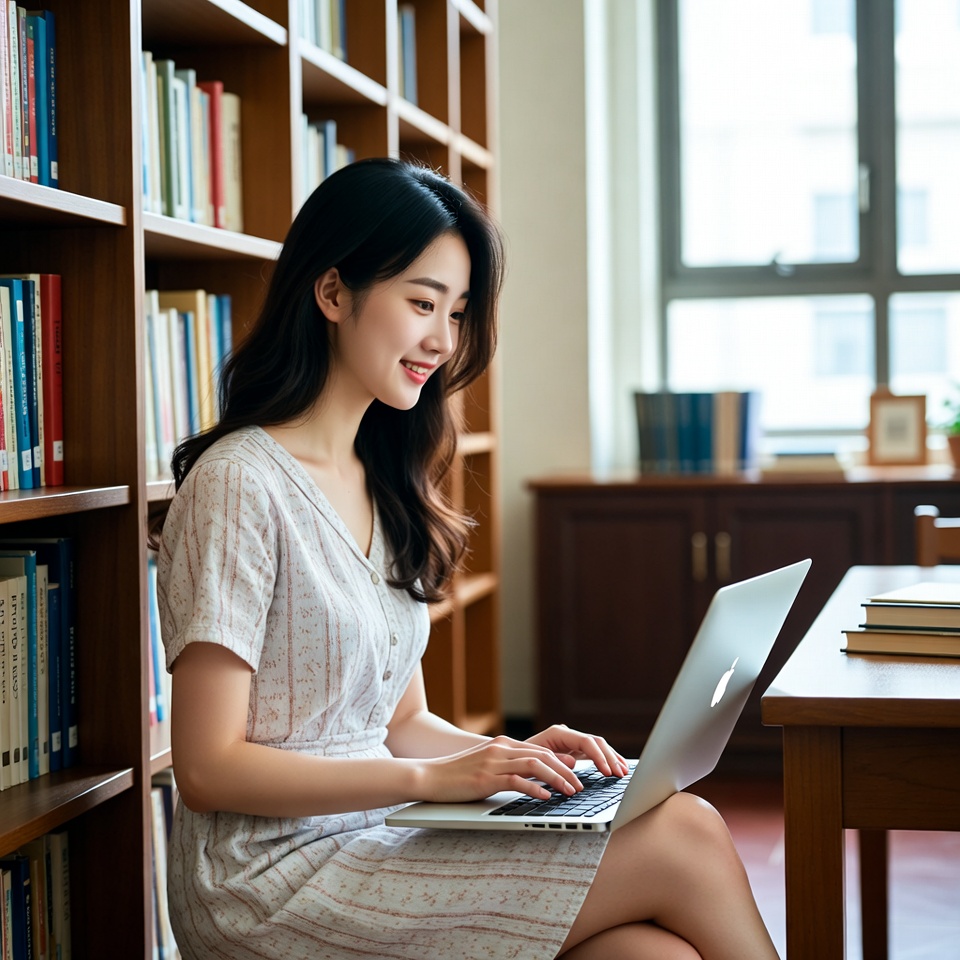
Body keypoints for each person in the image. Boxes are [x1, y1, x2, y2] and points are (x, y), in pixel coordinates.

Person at [156, 157, 780, 960]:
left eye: (456, 313)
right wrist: (432, 781)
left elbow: (403, 723)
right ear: (334, 292)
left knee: (649, 956)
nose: (442, 342)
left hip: (371, 839)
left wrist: (513, 763)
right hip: (266, 881)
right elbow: (207, 769)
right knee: (684, 835)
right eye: (422, 304)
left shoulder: (382, 481)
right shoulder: (239, 482)